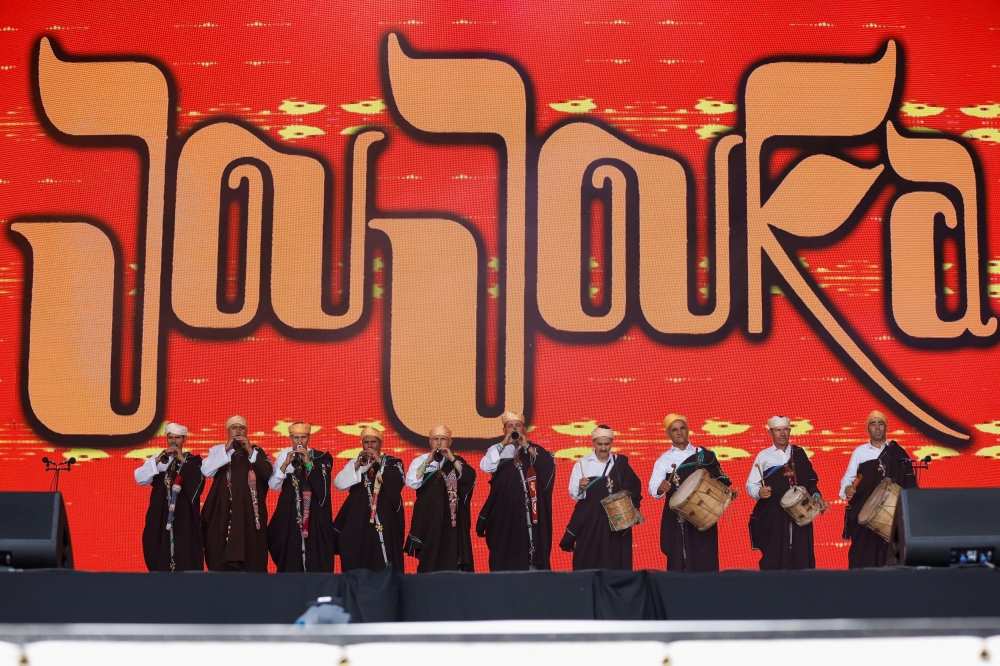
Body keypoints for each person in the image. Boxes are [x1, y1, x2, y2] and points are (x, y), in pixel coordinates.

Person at [648, 414, 732, 572]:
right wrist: (661, 487)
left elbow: (720, 480)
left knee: (705, 555)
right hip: (677, 516)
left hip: (703, 513)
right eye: (674, 430)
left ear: (688, 430)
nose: (679, 432)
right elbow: (653, 488)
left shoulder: (703, 454)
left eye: (682, 428)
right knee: (679, 556)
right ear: (668, 434)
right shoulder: (663, 460)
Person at [746, 415, 830, 570]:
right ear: (770, 433)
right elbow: (751, 484)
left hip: (801, 514)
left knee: (802, 557)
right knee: (775, 559)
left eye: (785, 429)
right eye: (778, 430)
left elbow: (811, 481)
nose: (782, 433)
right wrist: (759, 491)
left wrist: (818, 498)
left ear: (790, 431)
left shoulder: (799, 453)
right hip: (774, 517)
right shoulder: (763, 456)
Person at [476, 411, 556, 571]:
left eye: (517, 425)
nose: (514, 429)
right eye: (510, 426)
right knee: (504, 550)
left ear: (524, 428)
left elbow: (548, 468)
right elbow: (486, 467)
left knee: (530, 551)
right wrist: (504, 444)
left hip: (531, 514)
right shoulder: (497, 449)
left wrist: (526, 446)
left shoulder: (534, 449)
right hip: (504, 512)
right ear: (504, 430)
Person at [559, 424, 643, 570]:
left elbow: (635, 486)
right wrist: (581, 486)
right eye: (599, 444)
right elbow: (573, 494)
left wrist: (634, 508)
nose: (603, 448)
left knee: (616, 559)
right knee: (588, 558)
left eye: (607, 444)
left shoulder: (620, 463)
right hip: (590, 521)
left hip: (617, 520)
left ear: (612, 442)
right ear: (593, 443)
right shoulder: (582, 464)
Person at [840, 410, 918, 568]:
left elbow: (909, 480)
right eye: (872, 424)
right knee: (862, 557)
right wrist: (847, 488)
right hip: (865, 511)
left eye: (880, 423)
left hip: (892, 514)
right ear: (867, 429)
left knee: (892, 559)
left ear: (886, 427)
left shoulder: (898, 452)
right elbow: (848, 478)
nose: (877, 427)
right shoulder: (859, 452)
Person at [200, 415, 273, 572]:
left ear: (247, 431)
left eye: (242, 428)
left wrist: (249, 450)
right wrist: (226, 449)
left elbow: (267, 473)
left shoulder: (256, 450)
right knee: (218, 545)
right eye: (234, 428)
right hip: (222, 510)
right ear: (228, 431)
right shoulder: (217, 450)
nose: (238, 431)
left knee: (252, 548)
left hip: (249, 511)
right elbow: (206, 471)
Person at [332, 426, 406, 572]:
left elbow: (398, 483)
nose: (370, 446)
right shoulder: (356, 462)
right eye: (366, 442)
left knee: (383, 554)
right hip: (359, 519)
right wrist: (358, 464)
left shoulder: (393, 461)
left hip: (385, 517)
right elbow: (339, 484)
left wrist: (379, 460)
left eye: (374, 442)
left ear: (380, 444)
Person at [405, 425, 477, 572]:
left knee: (451, 554)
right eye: (435, 439)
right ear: (430, 442)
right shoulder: (421, 460)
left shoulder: (456, 460)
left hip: (452, 519)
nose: (439, 443)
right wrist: (428, 461)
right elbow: (411, 482)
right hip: (428, 517)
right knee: (428, 556)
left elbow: (469, 477)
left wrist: (451, 458)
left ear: (449, 442)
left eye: (443, 439)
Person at [134, 422, 205, 571]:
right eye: (170, 437)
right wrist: (158, 459)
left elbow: (198, 485)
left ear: (184, 439)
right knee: (155, 547)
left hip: (183, 517)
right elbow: (140, 478)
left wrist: (182, 460)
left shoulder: (192, 461)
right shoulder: (160, 461)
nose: (173, 441)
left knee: (184, 552)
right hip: (160, 515)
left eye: (177, 438)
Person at [267, 422, 335, 572]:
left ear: (309, 437)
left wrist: (308, 464)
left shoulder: (319, 457)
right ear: (290, 438)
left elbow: (323, 486)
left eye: (303, 437)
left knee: (314, 550)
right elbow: (274, 485)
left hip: (313, 513)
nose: (299, 442)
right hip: (290, 511)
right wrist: (285, 465)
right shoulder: (284, 455)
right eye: (296, 438)